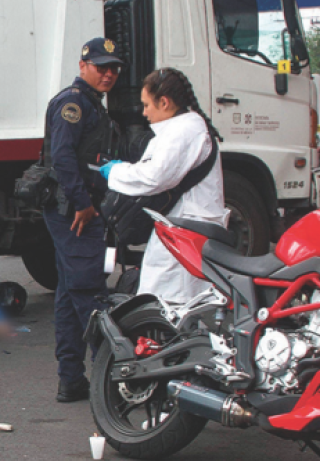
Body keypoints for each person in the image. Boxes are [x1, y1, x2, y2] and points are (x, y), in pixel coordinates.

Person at [100, 67, 227, 304]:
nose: (144, 112)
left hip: (188, 229)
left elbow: (154, 177)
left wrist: (116, 172)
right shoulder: (182, 127)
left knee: (173, 302)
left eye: (147, 105)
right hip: (184, 226)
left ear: (165, 102)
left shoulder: (185, 130)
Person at [42, 38, 123, 403]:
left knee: (68, 293)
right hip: (74, 212)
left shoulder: (90, 103)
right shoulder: (74, 104)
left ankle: (71, 378)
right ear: (82, 65)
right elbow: (61, 157)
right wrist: (82, 204)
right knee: (90, 292)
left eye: (113, 68)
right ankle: (111, 380)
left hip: (74, 209)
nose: (108, 74)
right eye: (101, 66)